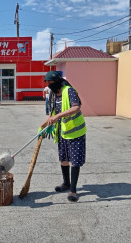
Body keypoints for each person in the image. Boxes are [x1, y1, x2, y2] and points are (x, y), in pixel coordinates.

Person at [38, 71, 87, 202]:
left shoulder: (69, 91)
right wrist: (42, 126)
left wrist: (58, 116)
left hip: (76, 132)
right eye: (47, 84)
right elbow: (52, 114)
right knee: (64, 158)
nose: (49, 86)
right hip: (63, 132)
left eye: (50, 83)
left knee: (75, 161)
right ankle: (66, 183)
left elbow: (76, 107)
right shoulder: (53, 95)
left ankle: (73, 190)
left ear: (58, 81)